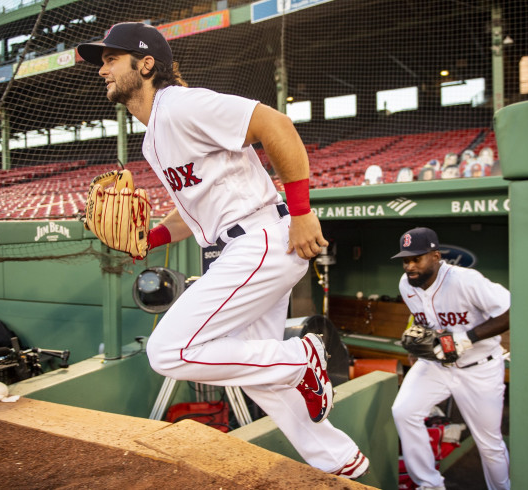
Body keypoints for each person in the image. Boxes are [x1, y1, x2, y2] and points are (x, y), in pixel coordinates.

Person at [76, 23, 369, 479]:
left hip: (261, 240)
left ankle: (302, 357)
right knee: (259, 373)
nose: (103, 70)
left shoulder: (182, 105)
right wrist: (148, 240)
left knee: (168, 351)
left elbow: (277, 124)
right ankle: (340, 460)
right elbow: (190, 212)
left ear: (146, 64)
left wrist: (303, 211)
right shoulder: (155, 134)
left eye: (112, 58)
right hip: (238, 245)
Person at [390, 227, 510, 490]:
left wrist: (467, 338)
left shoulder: (466, 280)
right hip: (436, 365)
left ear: (435, 256)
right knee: (404, 411)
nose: (410, 265)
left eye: (416, 258)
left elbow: (511, 311)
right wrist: (416, 346)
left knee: (489, 444)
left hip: (479, 368)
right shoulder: (406, 285)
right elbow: (423, 321)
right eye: (405, 260)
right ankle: (430, 484)